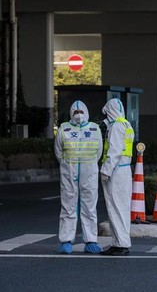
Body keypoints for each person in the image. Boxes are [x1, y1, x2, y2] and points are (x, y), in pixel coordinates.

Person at [54, 100, 103, 254]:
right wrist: (67, 165)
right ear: (71, 114)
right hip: (69, 171)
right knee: (68, 206)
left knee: (89, 206)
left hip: (89, 172)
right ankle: (66, 241)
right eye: (76, 113)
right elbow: (58, 152)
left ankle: (91, 241)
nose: (79, 115)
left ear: (86, 112)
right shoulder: (64, 129)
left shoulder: (95, 129)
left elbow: (98, 152)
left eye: (81, 112)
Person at [100, 97, 134, 256]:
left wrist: (105, 171)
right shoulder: (127, 124)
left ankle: (121, 244)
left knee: (115, 208)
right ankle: (119, 241)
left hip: (116, 171)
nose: (106, 116)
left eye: (107, 113)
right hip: (124, 170)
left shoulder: (115, 127)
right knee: (122, 208)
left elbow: (114, 151)